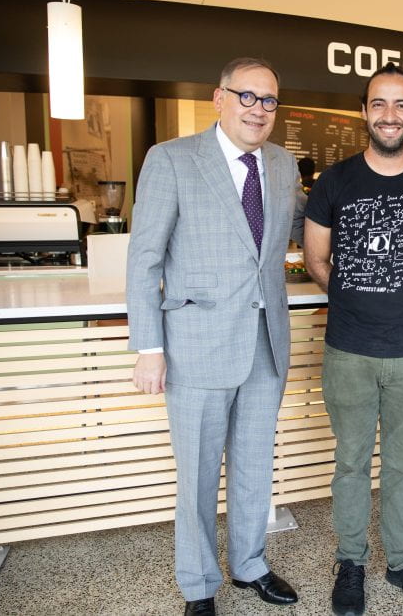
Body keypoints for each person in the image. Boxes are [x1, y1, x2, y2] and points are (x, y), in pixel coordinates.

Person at [127, 57, 305, 616]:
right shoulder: (172, 159)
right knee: (199, 476)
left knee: (255, 464)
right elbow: (144, 259)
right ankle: (200, 585)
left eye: (269, 100)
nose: (258, 109)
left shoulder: (282, 164)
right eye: (247, 96)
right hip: (196, 343)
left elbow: (291, 238)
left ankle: (250, 564)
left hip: (265, 341)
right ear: (218, 98)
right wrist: (149, 348)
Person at [304, 63, 403, 616]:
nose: (389, 115)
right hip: (347, 349)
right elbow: (315, 259)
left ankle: (401, 563)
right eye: (379, 103)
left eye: (401, 105)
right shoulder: (335, 182)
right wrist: (356, 296)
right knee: (349, 462)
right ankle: (350, 561)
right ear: (364, 111)